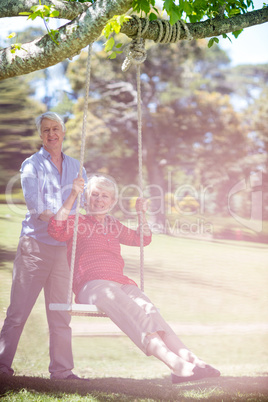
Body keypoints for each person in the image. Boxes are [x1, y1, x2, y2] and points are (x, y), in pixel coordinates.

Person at [48, 175, 221, 384]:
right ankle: (177, 366)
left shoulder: (113, 224)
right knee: (134, 313)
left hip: (122, 284)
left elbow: (143, 239)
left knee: (150, 312)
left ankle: (192, 360)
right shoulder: (78, 221)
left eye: (105, 196)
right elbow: (55, 230)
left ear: (112, 202)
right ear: (86, 199)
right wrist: (73, 193)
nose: (99, 199)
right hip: (93, 286)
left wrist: (141, 214)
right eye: (94, 194)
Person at [0, 112, 87, 380]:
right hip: (34, 247)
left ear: (63, 132)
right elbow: (38, 209)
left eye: (56, 128)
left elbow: (83, 210)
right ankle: (2, 366)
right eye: (46, 130)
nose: (52, 134)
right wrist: (70, 200)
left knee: (60, 313)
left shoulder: (78, 167)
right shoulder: (31, 165)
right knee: (18, 312)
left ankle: (62, 370)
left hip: (62, 252)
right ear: (41, 135)